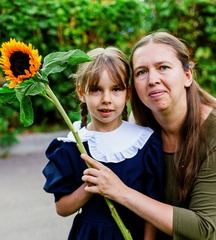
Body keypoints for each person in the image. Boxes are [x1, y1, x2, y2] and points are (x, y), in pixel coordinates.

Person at [81, 32, 216, 240]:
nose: (153, 80)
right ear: (133, 87)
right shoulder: (138, 134)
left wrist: (121, 192)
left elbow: (202, 227)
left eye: (163, 67)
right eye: (141, 72)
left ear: (187, 75)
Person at [42, 47, 164, 240]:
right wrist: (90, 186)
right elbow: (62, 208)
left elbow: (153, 203)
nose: (106, 99)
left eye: (116, 89)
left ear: (128, 93)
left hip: (134, 232)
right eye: (96, 90)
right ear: (81, 92)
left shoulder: (144, 142)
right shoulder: (72, 145)